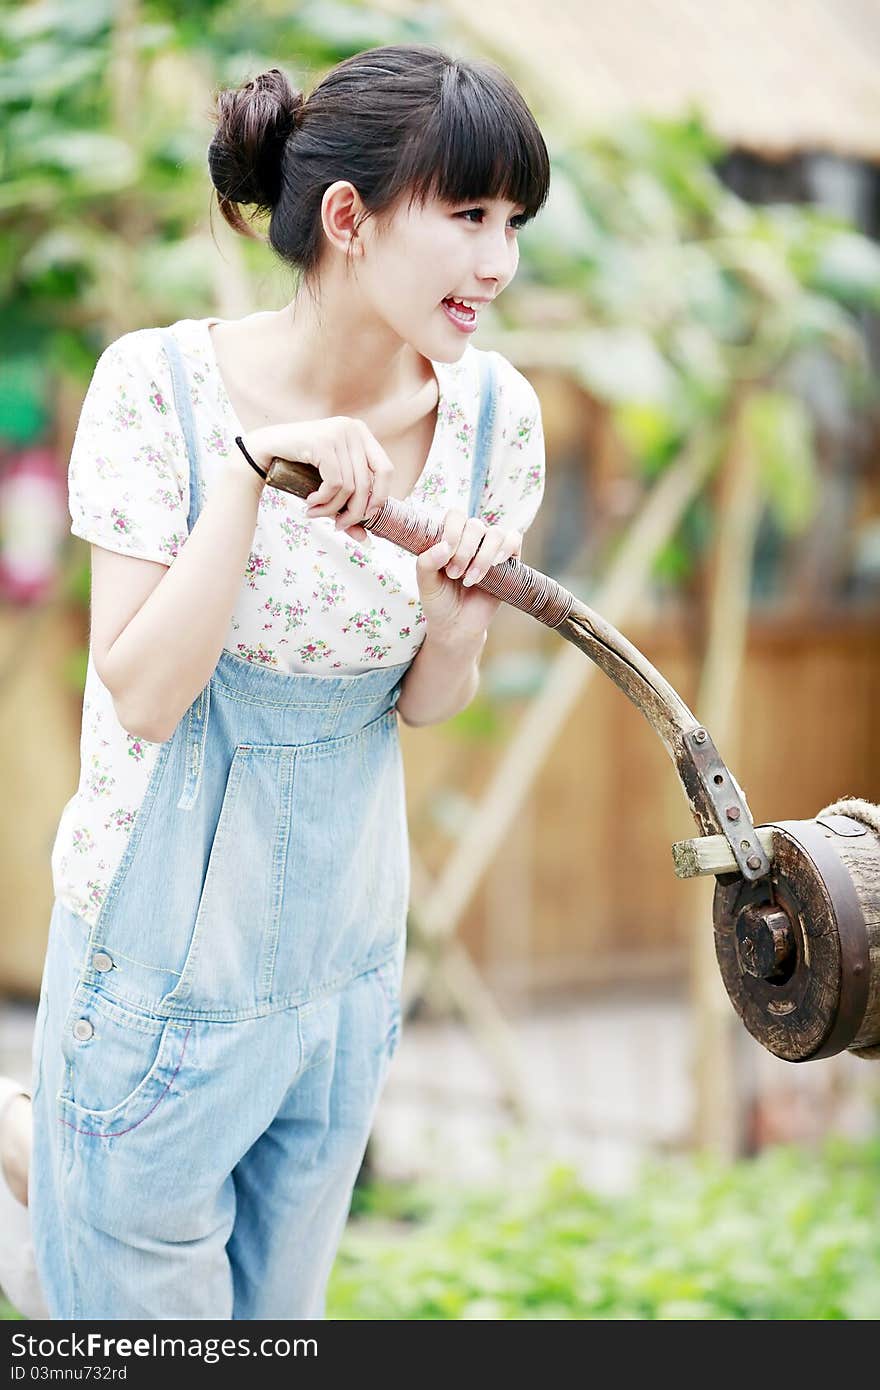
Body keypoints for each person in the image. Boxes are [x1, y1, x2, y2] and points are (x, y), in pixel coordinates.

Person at [3, 42, 550, 1320]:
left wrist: (454, 621)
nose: (498, 262)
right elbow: (140, 693)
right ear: (348, 219)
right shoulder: (164, 391)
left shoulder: (492, 419)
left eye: (512, 222)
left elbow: (421, 705)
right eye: (467, 215)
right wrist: (250, 477)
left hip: (342, 959)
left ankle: (43, 1156)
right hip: (154, 957)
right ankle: (54, 1155)